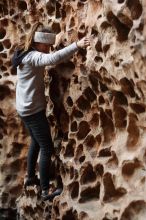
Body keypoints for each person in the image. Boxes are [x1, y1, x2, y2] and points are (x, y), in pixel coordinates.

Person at [12, 22, 90, 201]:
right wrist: (76, 45)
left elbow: (48, 57)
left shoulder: (23, 53)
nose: (49, 49)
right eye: (47, 46)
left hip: (25, 108)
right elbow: (52, 59)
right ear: (39, 43)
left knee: (36, 142)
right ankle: (45, 191)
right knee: (47, 148)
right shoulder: (32, 57)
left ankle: (31, 178)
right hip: (32, 111)